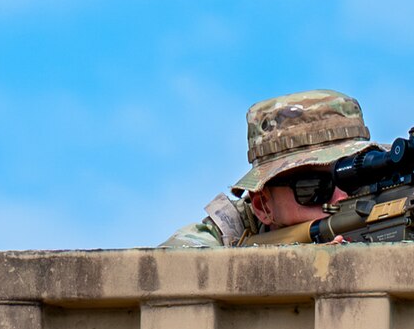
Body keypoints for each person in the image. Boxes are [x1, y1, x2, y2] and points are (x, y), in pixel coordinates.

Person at [160, 89, 375, 249]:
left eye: (354, 179)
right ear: (263, 205)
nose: (341, 198)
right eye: (315, 188)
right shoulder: (218, 240)